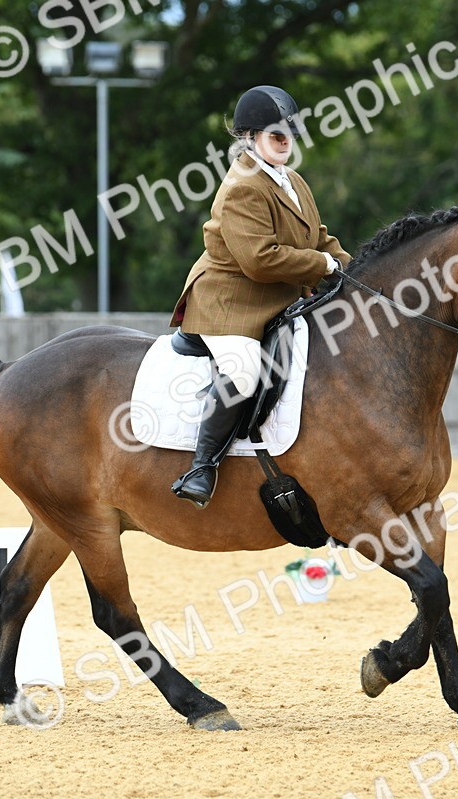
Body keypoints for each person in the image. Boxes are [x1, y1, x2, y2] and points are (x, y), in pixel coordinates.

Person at [168, 85, 352, 508]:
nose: (285, 142)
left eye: (289, 134)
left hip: (280, 303)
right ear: (249, 138)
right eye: (276, 135)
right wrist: (323, 267)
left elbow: (320, 238)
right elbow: (259, 259)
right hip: (231, 304)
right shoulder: (242, 187)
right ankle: (202, 466)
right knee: (246, 370)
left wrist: (354, 269)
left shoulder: (293, 181)